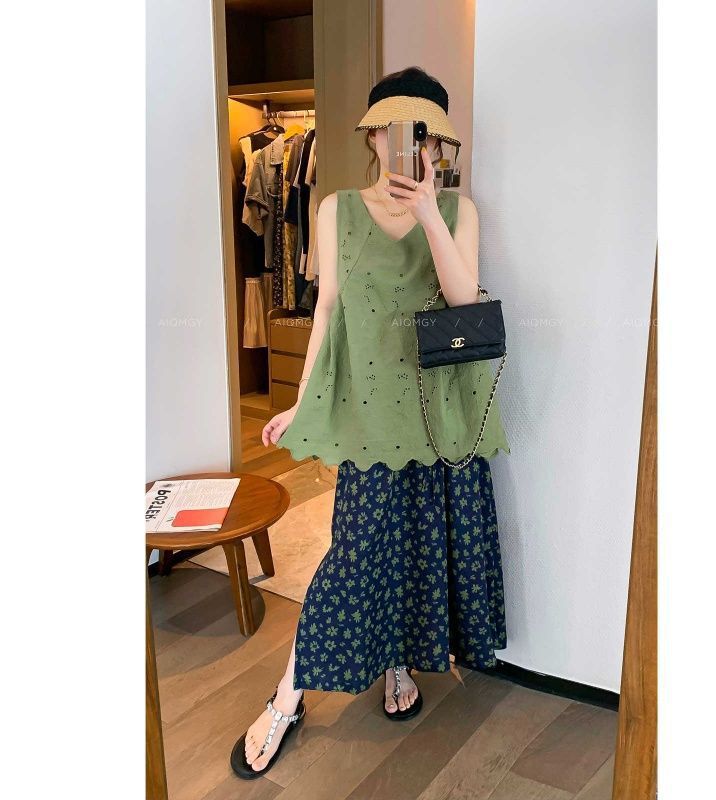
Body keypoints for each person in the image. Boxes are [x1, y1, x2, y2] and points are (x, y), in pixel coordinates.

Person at [230, 66, 511, 780]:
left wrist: (430, 215)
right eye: (391, 130)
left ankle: (398, 662)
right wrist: (302, 401)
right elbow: (327, 310)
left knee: (421, 549)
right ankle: (288, 697)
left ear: (436, 143)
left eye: (419, 134)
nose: (402, 145)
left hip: (440, 415)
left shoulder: (459, 211)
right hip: (370, 417)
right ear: (373, 136)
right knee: (355, 558)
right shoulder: (334, 209)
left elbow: (464, 300)